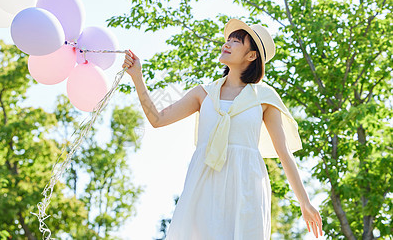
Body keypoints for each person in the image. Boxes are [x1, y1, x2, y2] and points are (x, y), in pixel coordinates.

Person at [122, 18, 323, 239]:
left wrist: (305, 202)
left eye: (236, 41)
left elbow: (284, 154)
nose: (226, 44)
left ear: (251, 55)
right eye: (228, 39)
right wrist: (137, 77)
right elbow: (157, 119)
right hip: (204, 186)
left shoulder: (264, 98)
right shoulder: (203, 93)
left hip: (246, 188)